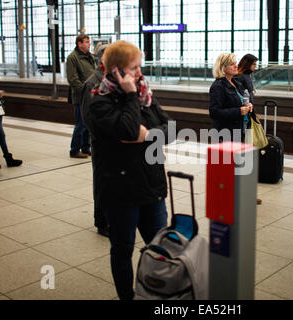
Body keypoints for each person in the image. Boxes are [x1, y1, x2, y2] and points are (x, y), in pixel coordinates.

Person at [83, 40, 172, 300]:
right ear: (117, 70)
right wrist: (130, 95)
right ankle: (127, 296)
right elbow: (127, 129)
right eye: (134, 68)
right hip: (119, 190)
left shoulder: (147, 94)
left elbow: (171, 129)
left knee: (160, 248)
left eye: (139, 67)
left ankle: (158, 293)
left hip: (151, 186)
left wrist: (150, 135)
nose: (139, 73)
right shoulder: (98, 98)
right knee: (123, 250)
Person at [80, 44, 110, 237]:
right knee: (102, 182)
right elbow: (88, 117)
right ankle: (102, 222)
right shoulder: (92, 83)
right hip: (102, 143)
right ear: (102, 59)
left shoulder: (115, 80)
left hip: (116, 144)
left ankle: (113, 217)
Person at [233, 53, 263, 205]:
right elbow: (248, 98)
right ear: (248, 64)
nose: (255, 67)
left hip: (242, 120)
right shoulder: (244, 77)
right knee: (246, 157)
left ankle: (243, 192)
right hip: (245, 120)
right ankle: (246, 193)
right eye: (254, 64)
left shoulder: (238, 77)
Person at [209, 53, 253, 143]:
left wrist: (248, 105)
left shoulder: (237, 83)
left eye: (235, 63)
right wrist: (238, 111)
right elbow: (214, 112)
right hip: (226, 133)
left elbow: (239, 101)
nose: (236, 66)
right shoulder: (218, 86)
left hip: (240, 129)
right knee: (229, 157)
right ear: (222, 67)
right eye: (232, 64)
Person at [67, 34, 96, 159]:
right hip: (81, 97)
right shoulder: (73, 58)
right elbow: (73, 79)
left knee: (88, 123)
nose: (89, 44)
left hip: (91, 95)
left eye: (89, 41)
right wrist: (84, 91)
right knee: (81, 123)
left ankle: (86, 147)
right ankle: (74, 150)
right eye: (87, 41)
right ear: (79, 44)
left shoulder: (90, 57)